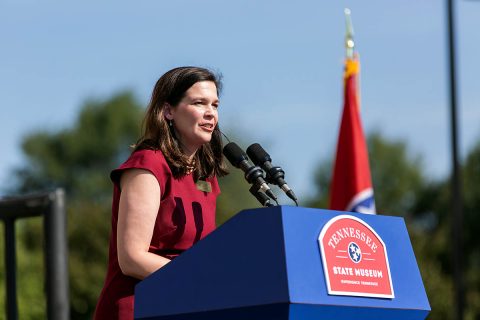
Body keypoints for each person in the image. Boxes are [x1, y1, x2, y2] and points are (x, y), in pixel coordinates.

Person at [94, 66, 228, 320]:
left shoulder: (205, 176)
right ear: (168, 111)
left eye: (215, 105)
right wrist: (201, 282)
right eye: (199, 103)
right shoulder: (148, 164)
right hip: (138, 307)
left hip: (183, 306)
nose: (211, 113)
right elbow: (132, 258)